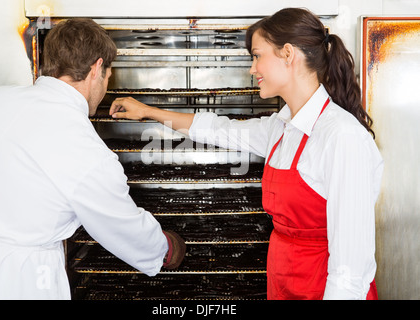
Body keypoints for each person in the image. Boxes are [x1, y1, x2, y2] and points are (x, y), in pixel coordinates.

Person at [109, 8, 383, 300]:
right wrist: (148, 112)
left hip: (322, 287)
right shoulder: (281, 128)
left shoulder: (341, 136)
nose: (253, 69)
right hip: (284, 282)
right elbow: (215, 129)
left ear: (288, 54)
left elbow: (351, 269)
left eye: (257, 55)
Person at [0, 18, 185, 300]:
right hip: (23, 280)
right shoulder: (84, 147)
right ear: (96, 68)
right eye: (108, 75)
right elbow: (121, 226)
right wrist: (166, 249)